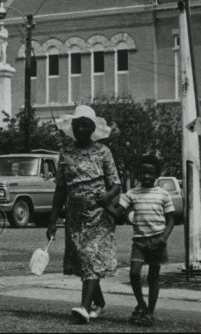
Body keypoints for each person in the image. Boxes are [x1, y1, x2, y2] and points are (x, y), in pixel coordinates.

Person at [46, 104, 121, 324]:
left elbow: (116, 184)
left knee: (90, 256)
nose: (81, 129)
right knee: (83, 261)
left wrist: (106, 198)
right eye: (78, 125)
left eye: (86, 125)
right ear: (73, 126)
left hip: (98, 215)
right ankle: (100, 302)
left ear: (92, 128)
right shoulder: (66, 153)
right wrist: (52, 222)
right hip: (75, 216)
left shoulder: (103, 152)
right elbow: (60, 189)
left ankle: (85, 307)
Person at [106, 153, 175, 327]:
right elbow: (117, 213)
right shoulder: (132, 194)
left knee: (153, 278)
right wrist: (105, 203)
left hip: (157, 240)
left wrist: (164, 238)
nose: (146, 176)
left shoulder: (163, 194)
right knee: (134, 274)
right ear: (138, 174)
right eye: (143, 173)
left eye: (150, 173)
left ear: (157, 175)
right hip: (139, 241)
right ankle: (141, 304)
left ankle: (149, 313)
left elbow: (171, 219)